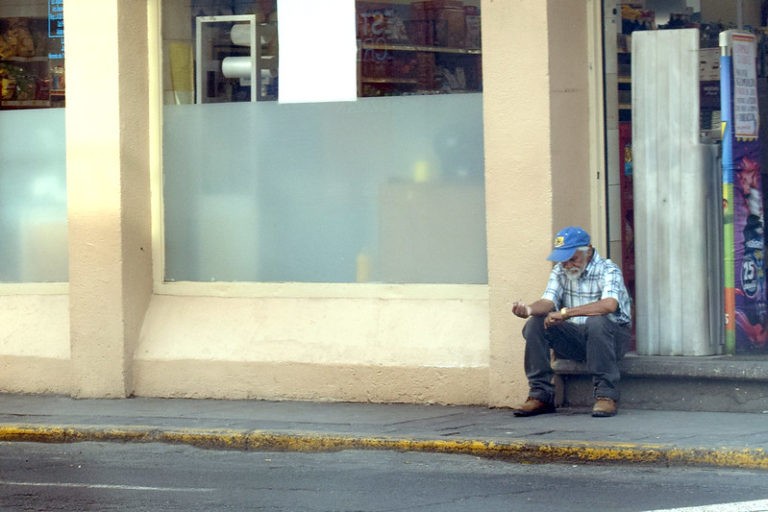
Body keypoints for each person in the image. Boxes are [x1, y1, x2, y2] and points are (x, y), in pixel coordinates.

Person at [511, 226, 632, 418]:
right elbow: (548, 301)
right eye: (563, 259)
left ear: (589, 250)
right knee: (535, 323)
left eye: (572, 258)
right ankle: (540, 394)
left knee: (597, 322)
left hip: (611, 339)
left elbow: (609, 305)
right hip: (578, 339)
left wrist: (566, 313)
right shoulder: (561, 270)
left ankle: (605, 395)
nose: (567, 265)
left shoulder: (608, 269)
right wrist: (529, 310)